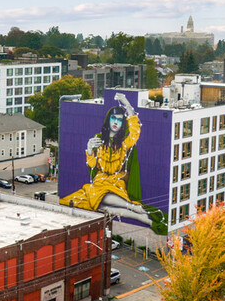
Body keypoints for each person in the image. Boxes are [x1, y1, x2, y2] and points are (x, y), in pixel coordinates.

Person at [60, 93, 165, 231]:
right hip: (100, 181)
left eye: (120, 120)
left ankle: (133, 207)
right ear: (108, 120)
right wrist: (89, 149)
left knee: (100, 198)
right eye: (113, 118)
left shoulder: (124, 143)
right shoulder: (98, 139)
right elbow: (92, 165)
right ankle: (140, 216)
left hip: (116, 182)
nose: (116, 122)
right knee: (99, 206)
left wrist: (126, 103)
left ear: (123, 124)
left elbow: (135, 131)